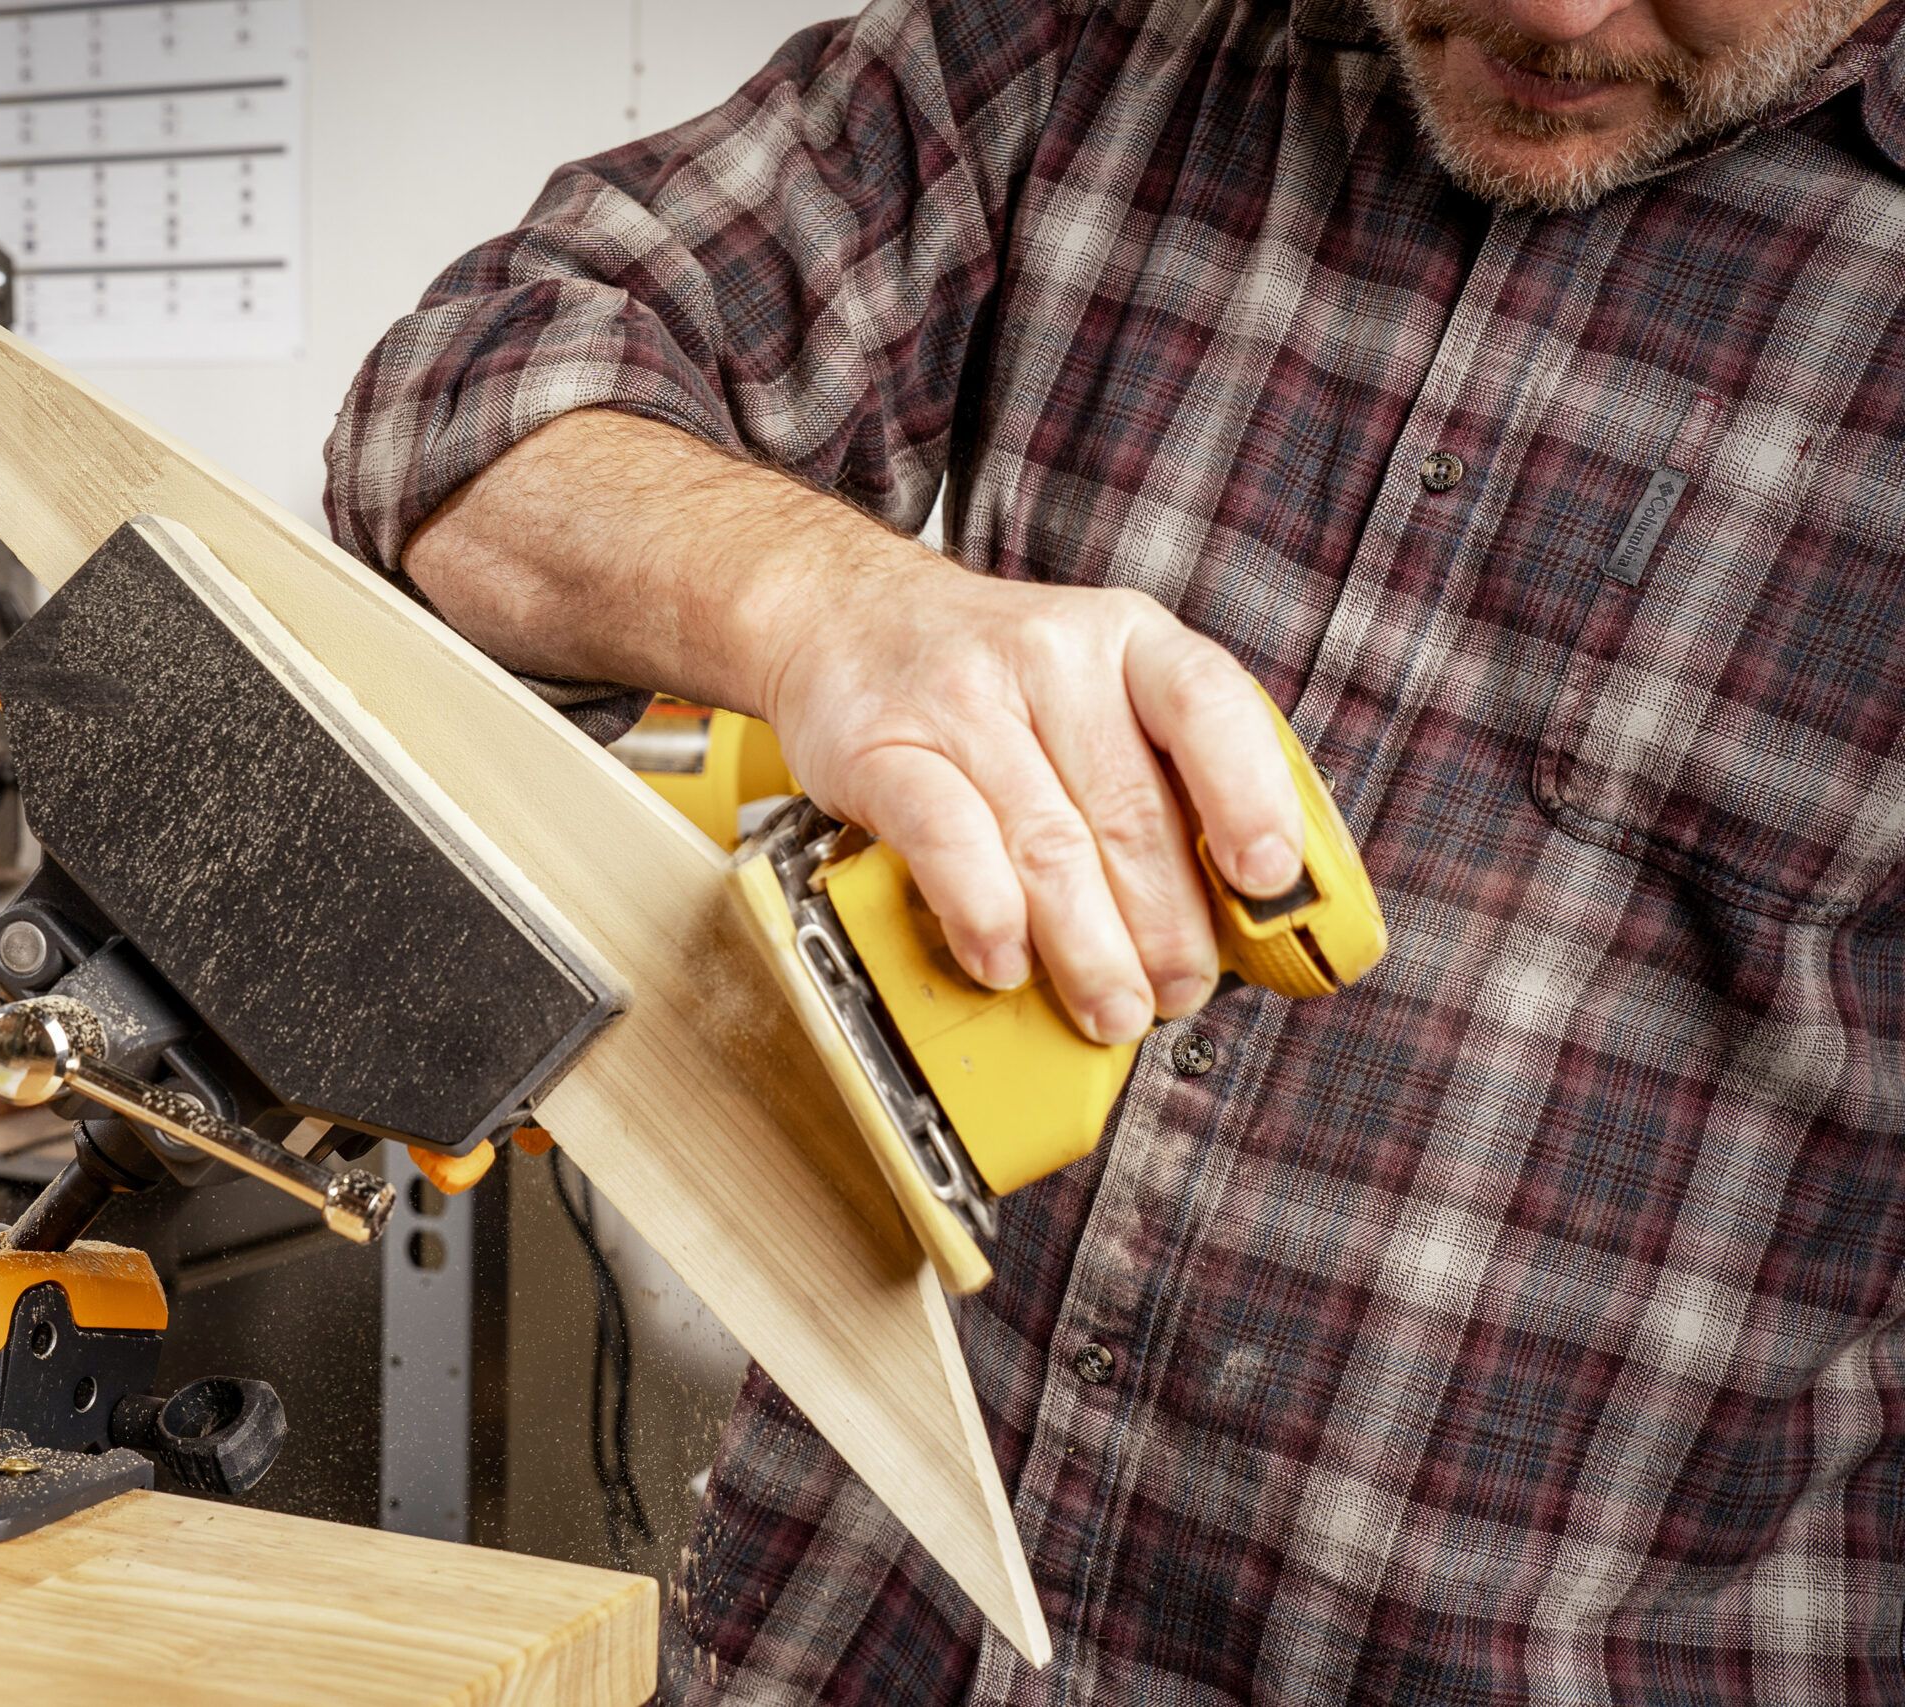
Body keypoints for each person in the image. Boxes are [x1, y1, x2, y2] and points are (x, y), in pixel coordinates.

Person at [325, 0, 1905, 1698]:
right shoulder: (1099, 40)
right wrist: (829, 604)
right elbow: (457, 407)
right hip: (860, 1634)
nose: (1553, 10)